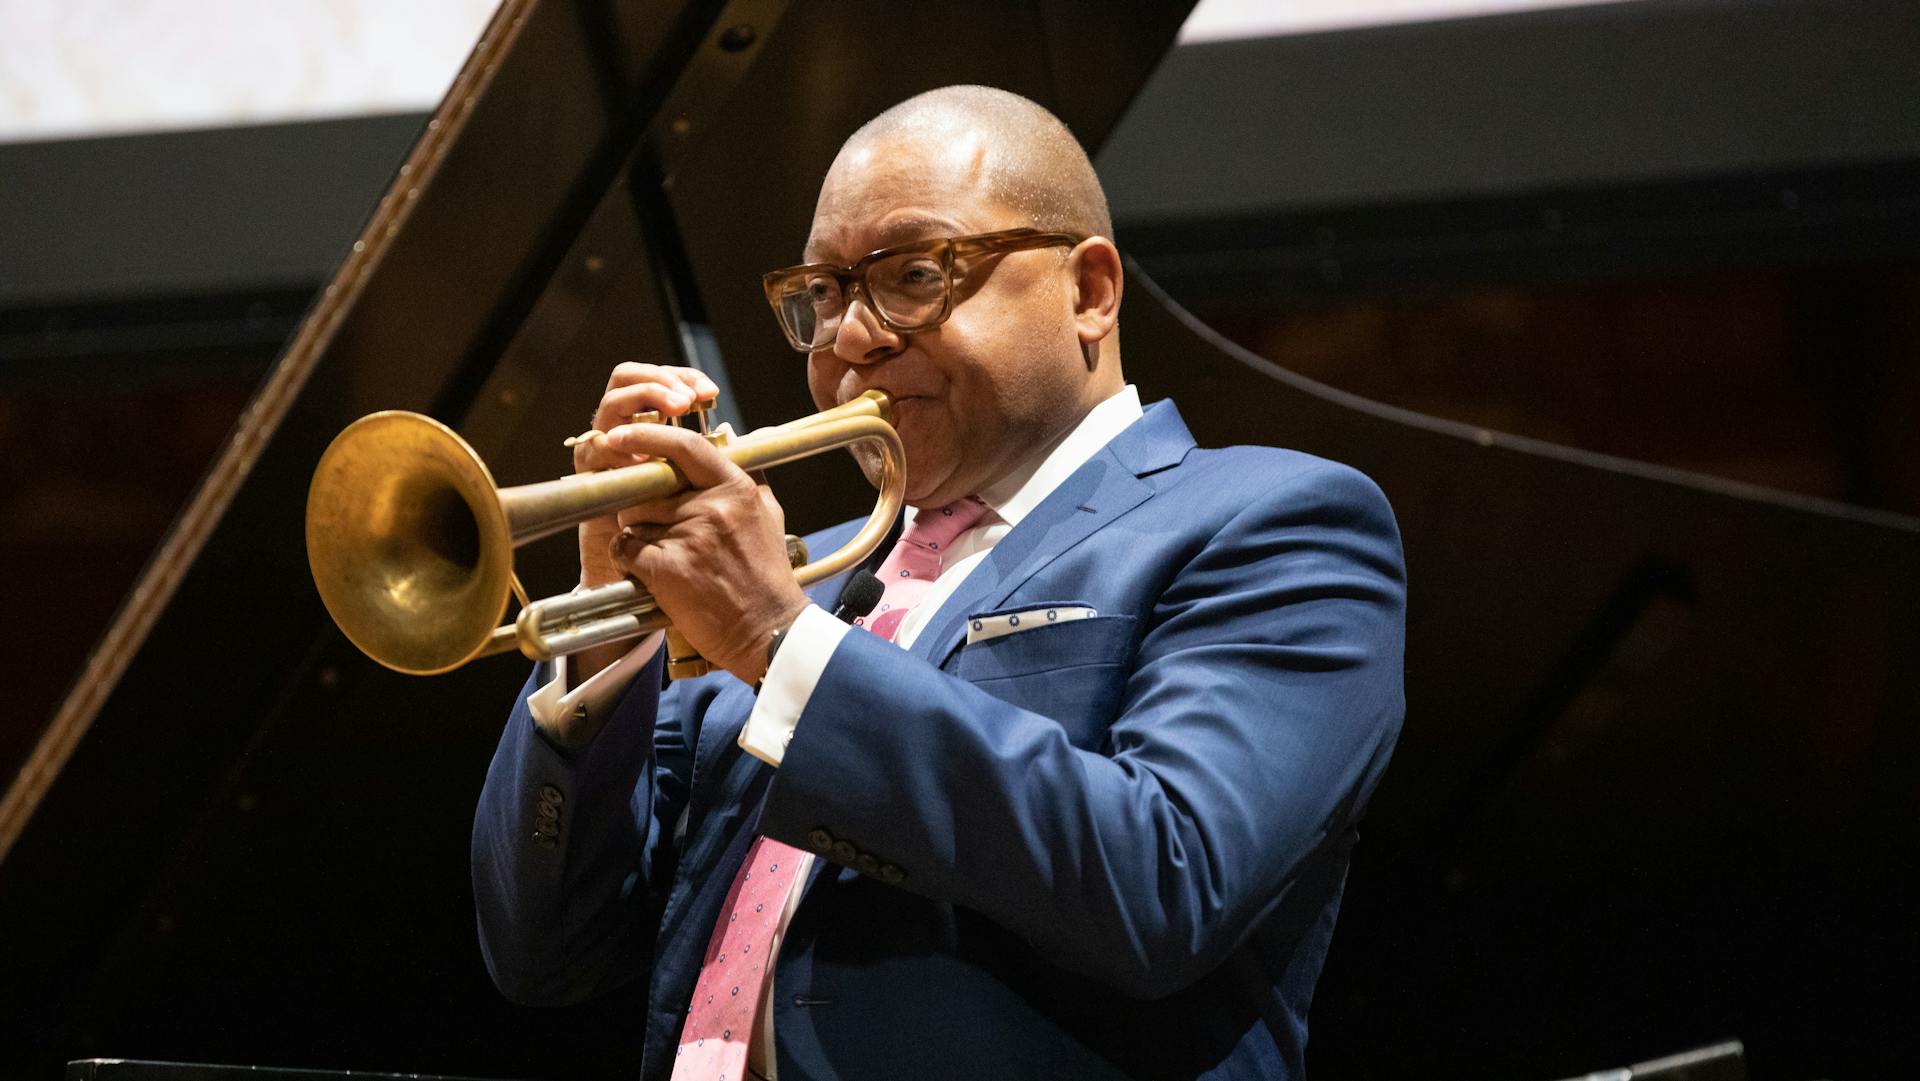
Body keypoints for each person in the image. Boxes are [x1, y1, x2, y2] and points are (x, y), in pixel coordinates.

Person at [471, 85, 1405, 1081]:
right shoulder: (794, 573)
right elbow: (545, 956)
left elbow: (1166, 884)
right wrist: (607, 639)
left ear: (1088, 291)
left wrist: (785, 647)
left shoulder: (1279, 522)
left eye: (915, 275)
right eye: (824, 294)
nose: (853, 338)